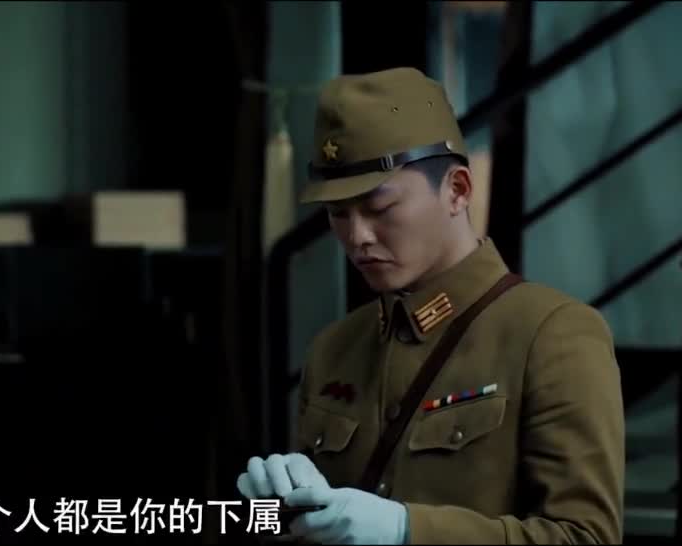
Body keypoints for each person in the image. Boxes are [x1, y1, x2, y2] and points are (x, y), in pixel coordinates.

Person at [236, 67, 624, 544]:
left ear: (457, 190)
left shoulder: (551, 333)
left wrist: (407, 530)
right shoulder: (335, 348)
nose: (357, 236)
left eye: (379, 208)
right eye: (338, 214)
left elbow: (586, 536)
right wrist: (278, 513)